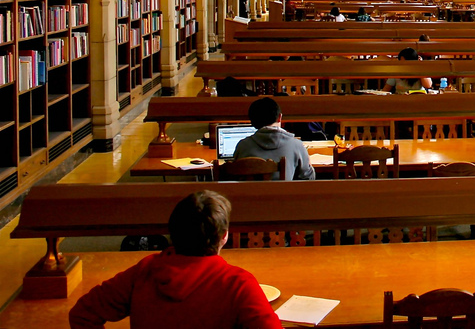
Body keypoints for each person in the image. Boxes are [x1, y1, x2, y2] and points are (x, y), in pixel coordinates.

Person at [69, 191, 282, 329]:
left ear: (173, 233)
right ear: (224, 236)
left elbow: (82, 314)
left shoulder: (145, 270)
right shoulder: (238, 284)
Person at [233, 97, 315, 180]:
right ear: (280, 117)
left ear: (253, 122)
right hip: (283, 193)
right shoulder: (296, 145)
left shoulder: (243, 146)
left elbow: (234, 176)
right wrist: (309, 163)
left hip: (249, 192)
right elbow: (308, 178)